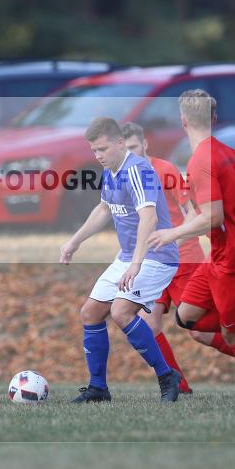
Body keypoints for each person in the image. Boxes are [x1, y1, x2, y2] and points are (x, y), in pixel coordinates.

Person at [148, 89, 235, 409]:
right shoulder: (225, 151)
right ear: (213, 119)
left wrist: (173, 234)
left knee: (233, 335)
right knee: (187, 318)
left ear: (183, 121)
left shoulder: (201, 161)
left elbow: (213, 216)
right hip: (220, 256)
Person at [60, 117, 182, 403]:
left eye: (102, 149)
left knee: (121, 312)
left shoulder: (138, 170)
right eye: (94, 151)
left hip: (156, 257)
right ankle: (98, 388)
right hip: (128, 257)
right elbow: (104, 209)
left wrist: (136, 264)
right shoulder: (111, 171)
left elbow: (149, 218)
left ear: (119, 143)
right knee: (90, 313)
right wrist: (75, 242)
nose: (98, 156)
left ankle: (167, 376)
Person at [121, 122, 204, 394]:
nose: (130, 154)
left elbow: (193, 214)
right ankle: (178, 384)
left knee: (200, 331)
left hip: (183, 259)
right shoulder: (123, 176)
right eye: (125, 150)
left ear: (144, 144)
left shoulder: (165, 170)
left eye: (134, 147)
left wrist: (172, 242)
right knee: (149, 324)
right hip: (154, 264)